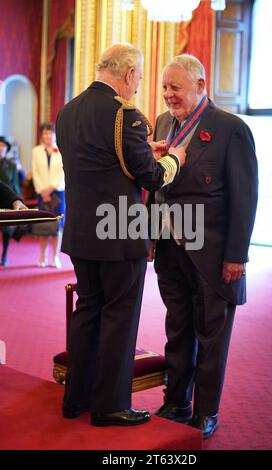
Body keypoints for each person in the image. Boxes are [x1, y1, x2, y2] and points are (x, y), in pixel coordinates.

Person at [55, 43, 186, 427]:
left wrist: (144, 150)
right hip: (118, 232)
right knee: (119, 318)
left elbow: (101, 162)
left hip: (80, 231)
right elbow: (151, 176)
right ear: (129, 75)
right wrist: (174, 158)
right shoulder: (124, 115)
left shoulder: (68, 111)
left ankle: (75, 397)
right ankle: (110, 405)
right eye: (140, 79)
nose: (138, 86)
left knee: (88, 311)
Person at [150, 54, 258, 439]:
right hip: (169, 248)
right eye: (164, 87)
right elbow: (158, 187)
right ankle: (177, 399)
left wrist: (236, 256)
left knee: (211, 334)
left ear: (200, 85)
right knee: (177, 327)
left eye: (175, 87)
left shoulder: (231, 128)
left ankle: (206, 410)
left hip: (213, 253)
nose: (167, 95)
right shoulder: (163, 123)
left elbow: (244, 198)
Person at [32, 123, 65, 268]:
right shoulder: (36, 151)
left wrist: (51, 188)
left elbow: (64, 172)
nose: (48, 136)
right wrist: (43, 191)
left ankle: (55, 257)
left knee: (57, 226)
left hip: (58, 191)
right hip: (42, 193)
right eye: (45, 133)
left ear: (54, 135)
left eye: (50, 133)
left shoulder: (61, 150)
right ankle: (43, 257)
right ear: (41, 136)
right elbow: (35, 172)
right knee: (44, 226)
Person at [0, 136, 22, 266]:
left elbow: (15, 184)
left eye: (3, 146)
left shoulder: (11, 165)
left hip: (7, 200)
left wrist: (16, 199)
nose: (0, 148)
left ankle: (4, 255)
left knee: (7, 231)